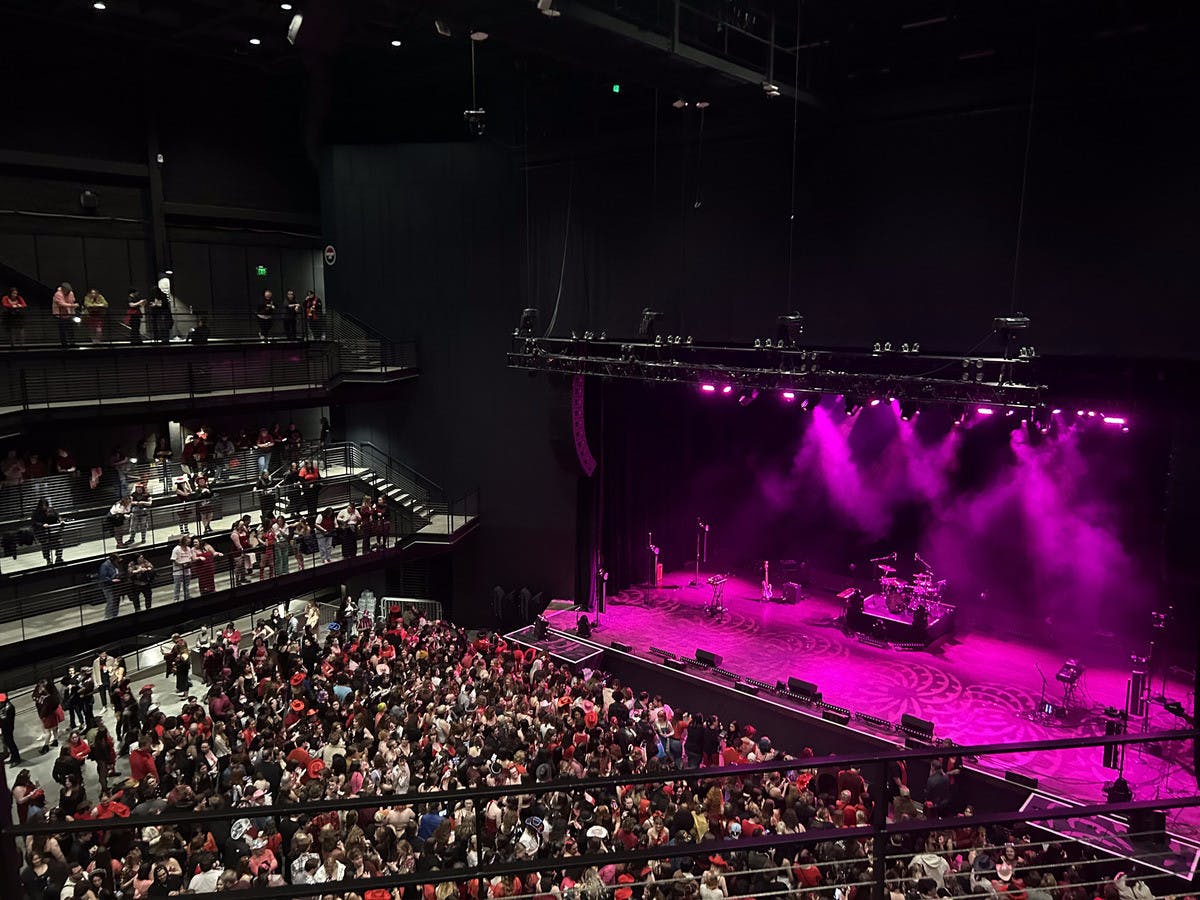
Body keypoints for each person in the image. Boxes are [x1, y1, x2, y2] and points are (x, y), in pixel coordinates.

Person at [31, 497, 64, 566]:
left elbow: (58, 516)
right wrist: (42, 525)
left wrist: (61, 520)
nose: (44, 507)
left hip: (53, 531)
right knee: (45, 545)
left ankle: (58, 558)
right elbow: (34, 522)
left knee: (60, 542)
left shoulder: (51, 510)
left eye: (45, 505)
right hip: (43, 533)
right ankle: (48, 560)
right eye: (42, 505)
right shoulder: (36, 513)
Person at [32, 678, 62, 753]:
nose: (41, 688)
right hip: (45, 713)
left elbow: (50, 706)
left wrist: (43, 716)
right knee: (53, 728)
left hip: (49, 714)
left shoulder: (51, 697)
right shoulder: (40, 691)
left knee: (47, 731)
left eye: (43, 687)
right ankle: (55, 740)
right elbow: (34, 696)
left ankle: (46, 746)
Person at [52, 282, 78, 348]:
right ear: (63, 289)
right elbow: (61, 304)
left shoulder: (70, 293)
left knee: (71, 330)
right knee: (62, 331)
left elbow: (72, 301)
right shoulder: (58, 294)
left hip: (69, 315)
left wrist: (73, 312)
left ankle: (72, 344)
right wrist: (72, 305)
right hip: (60, 315)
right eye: (67, 290)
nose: (68, 292)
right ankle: (64, 345)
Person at [99, 553, 123, 619]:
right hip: (107, 586)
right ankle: (108, 617)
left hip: (115, 586)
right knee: (111, 601)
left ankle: (115, 615)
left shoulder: (115, 564)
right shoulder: (105, 565)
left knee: (116, 600)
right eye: (117, 560)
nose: (118, 562)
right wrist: (112, 580)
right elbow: (103, 577)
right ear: (113, 559)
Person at [170, 534, 193, 603]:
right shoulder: (176, 549)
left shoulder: (188, 548)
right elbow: (174, 560)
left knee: (186, 586)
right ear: (183, 541)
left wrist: (189, 563)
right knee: (177, 586)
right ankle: (176, 599)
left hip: (187, 571)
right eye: (187, 542)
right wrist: (182, 565)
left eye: (189, 542)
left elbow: (190, 558)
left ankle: (187, 597)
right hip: (178, 572)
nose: (189, 543)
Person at [0, 689, 20, 763]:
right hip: (4, 727)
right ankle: (13, 757)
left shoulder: (9, 707)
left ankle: (17, 758)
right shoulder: (3, 706)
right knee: (7, 742)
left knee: (11, 743)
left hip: (8, 728)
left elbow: (6, 720)